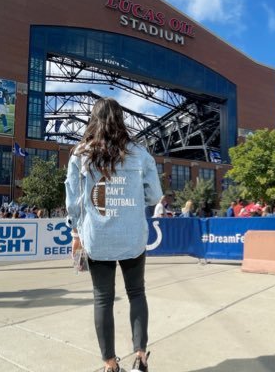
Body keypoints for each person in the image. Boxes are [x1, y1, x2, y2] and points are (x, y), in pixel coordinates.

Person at [65, 97, 162, 372]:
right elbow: (154, 195)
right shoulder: (140, 154)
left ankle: (110, 364)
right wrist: (131, 200)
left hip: (97, 238)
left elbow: (74, 201)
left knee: (102, 299)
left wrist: (75, 233)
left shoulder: (80, 154)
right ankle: (141, 357)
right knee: (137, 293)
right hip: (132, 237)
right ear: (121, 120)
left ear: (93, 119)